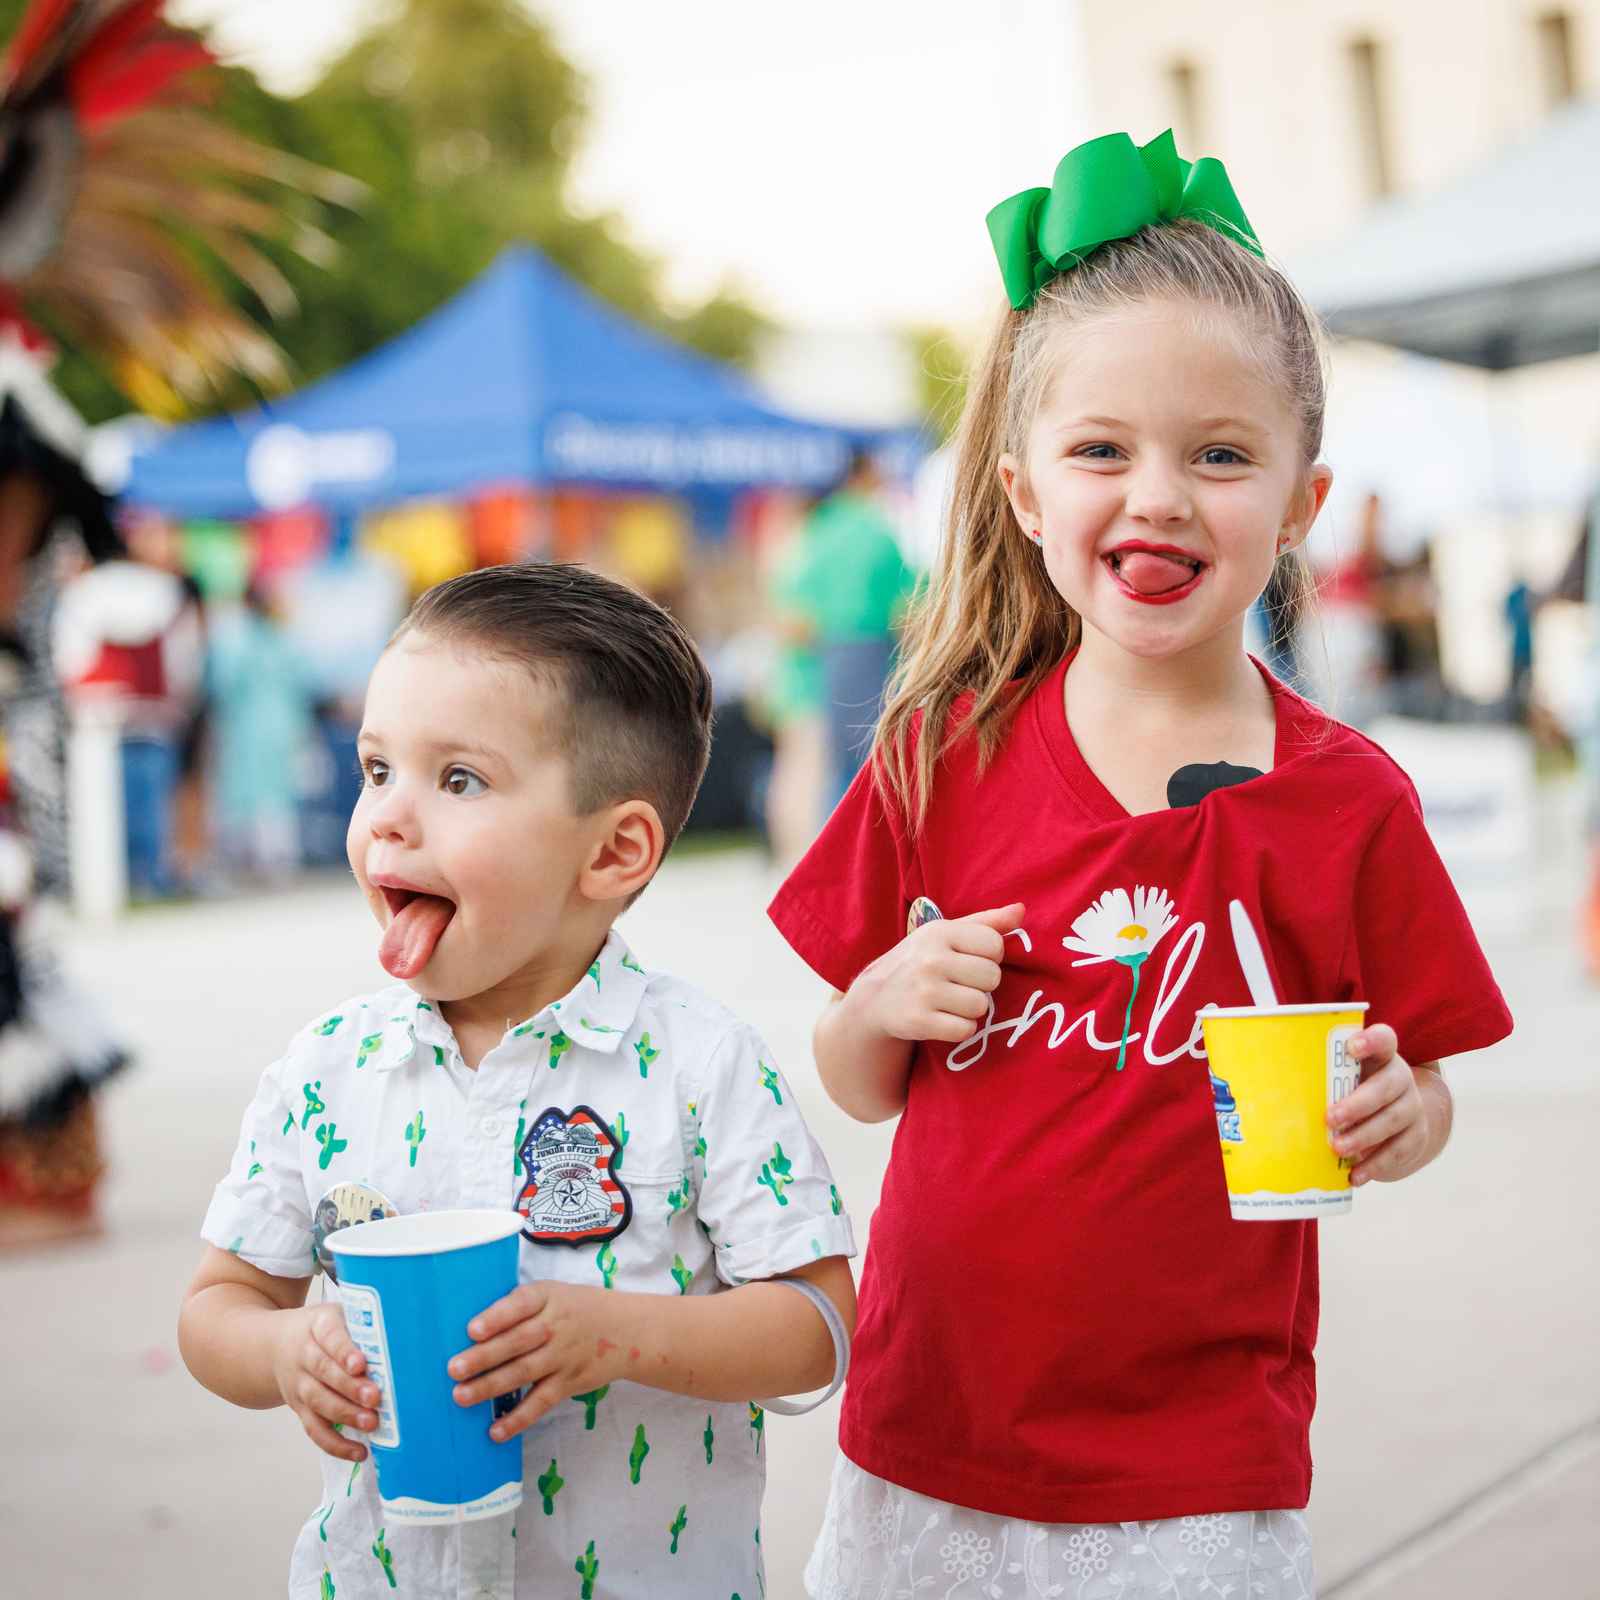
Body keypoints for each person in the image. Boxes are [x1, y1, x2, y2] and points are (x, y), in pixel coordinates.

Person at [768, 131, 1514, 1599]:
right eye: (1102, 449)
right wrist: (880, 1005)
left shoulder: (1348, 803)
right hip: (933, 1431)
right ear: (1028, 492)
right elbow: (850, 1078)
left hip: (1202, 1460)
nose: (1159, 497)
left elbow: (1424, 1085)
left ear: (1301, 506)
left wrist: (1390, 1109)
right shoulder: (940, 755)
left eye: (1221, 455)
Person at [178, 562, 857, 1598]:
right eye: (375, 769)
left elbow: (816, 1324)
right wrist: (282, 1351)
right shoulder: (326, 1071)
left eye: (457, 780)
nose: (390, 819)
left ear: (614, 850)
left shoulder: (697, 1063)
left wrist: (620, 1333)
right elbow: (218, 1304)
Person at [785, 453, 919, 805]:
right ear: (865, 475)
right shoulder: (877, 527)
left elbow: (796, 606)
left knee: (840, 758)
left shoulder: (819, 527)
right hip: (873, 650)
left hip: (828, 652)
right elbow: (907, 599)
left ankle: (835, 839)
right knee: (874, 754)